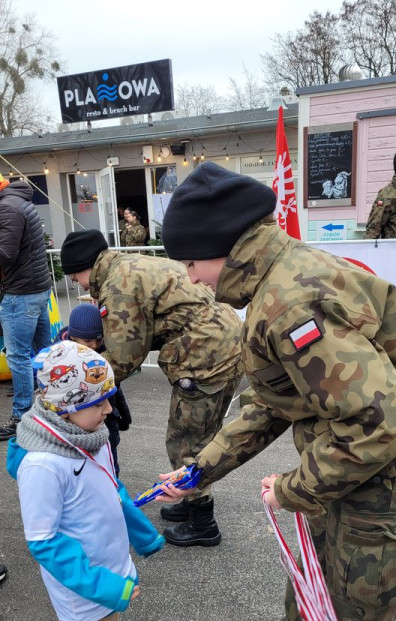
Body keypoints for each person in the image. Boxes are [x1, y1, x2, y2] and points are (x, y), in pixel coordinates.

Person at [155, 161, 396, 621]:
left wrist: (292, 486)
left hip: (383, 478)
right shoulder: (277, 282)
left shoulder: (289, 302)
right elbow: (274, 403)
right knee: (313, 574)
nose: (189, 277)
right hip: (348, 468)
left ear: (221, 250)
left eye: (190, 262)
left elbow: (377, 426)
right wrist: (200, 470)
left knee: (362, 610)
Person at [7, 340, 164, 621]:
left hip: (108, 577)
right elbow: (43, 542)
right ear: (64, 406)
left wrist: (143, 537)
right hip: (87, 592)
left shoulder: (89, 437)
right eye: (100, 402)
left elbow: (112, 492)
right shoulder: (43, 465)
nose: (110, 411)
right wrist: (107, 587)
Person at [59, 229, 243, 548]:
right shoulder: (126, 267)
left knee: (185, 440)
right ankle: (190, 502)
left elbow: (124, 357)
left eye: (76, 277)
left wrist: (74, 386)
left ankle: (203, 523)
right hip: (223, 347)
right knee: (200, 434)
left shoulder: (118, 283)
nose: (78, 284)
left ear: (85, 267)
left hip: (206, 356)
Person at [0, 174, 51, 440]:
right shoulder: (18, 200)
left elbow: (5, 253)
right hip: (36, 288)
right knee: (44, 353)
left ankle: (21, 415)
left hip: (21, 293)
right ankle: (51, 405)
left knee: (18, 357)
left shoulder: (7, 207)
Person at [54, 303, 132, 475]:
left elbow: (115, 388)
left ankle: (113, 492)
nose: (95, 345)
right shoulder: (58, 361)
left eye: (99, 339)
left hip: (106, 422)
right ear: (73, 337)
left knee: (110, 464)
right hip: (75, 425)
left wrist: (123, 415)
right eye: (88, 341)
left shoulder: (105, 353)